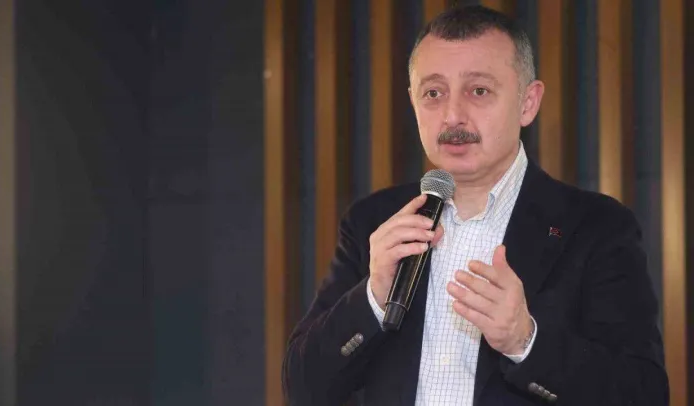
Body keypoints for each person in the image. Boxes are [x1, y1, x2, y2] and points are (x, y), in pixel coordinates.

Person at [282, 5, 668, 405]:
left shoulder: (595, 226)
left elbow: (644, 394)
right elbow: (304, 388)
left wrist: (525, 341)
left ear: (528, 103)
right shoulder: (375, 222)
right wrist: (372, 298)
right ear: (413, 102)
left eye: (478, 91)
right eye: (433, 93)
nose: (452, 116)